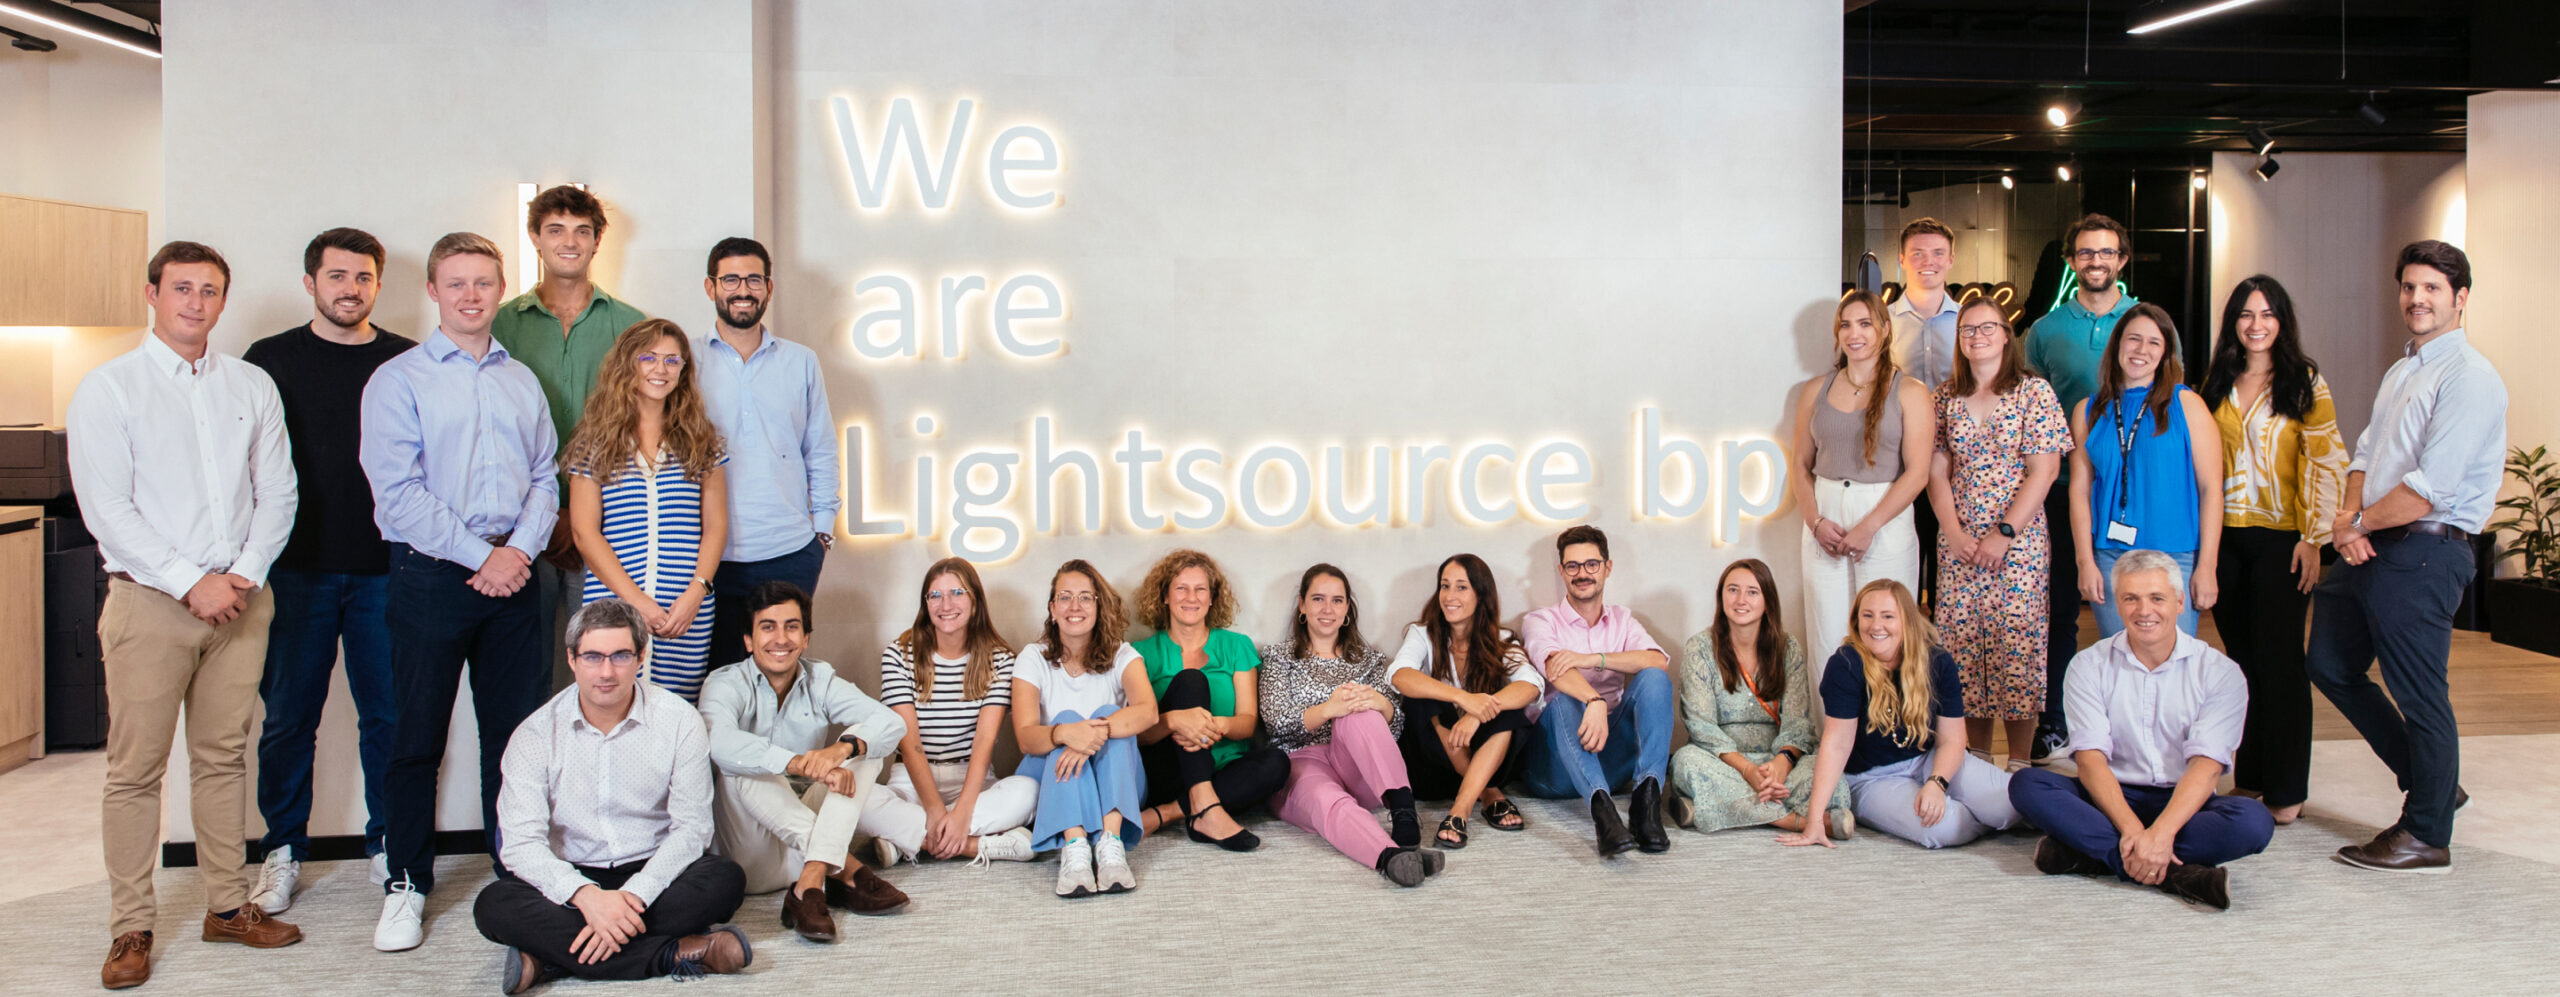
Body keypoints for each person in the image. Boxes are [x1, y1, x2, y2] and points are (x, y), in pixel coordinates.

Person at [71, 241, 304, 989]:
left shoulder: (251, 385)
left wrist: (239, 576)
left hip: (240, 602)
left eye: (209, 291)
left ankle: (228, 906)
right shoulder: (109, 390)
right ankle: (130, 927)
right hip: (149, 603)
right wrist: (189, 581)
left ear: (222, 302)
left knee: (223, 757)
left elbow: (279, 493)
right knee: (135, 771)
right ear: (152, 295)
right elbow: (108, 510)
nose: (195, 302)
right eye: (181, 289)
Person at [360, 232, 559, 952]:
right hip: (431, 577)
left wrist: (518, 553)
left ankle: (516, 868)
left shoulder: (521, 380)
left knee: (513, 738)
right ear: (434, 292)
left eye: (483, 282)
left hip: (512, 573)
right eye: (457, 283)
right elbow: (398, 496)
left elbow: (546, 475)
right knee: (415, 737)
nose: (471, 295)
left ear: (500, 289)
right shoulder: (399, 380)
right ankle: (407, 881)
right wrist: (485, 556)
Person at [2310, 240, 2506, 875]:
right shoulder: (2404, 370)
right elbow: (2365, 454)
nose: (2418, 299)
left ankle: (2426, 833)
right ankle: (2432, 782)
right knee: (2330, 663)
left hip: (2426, 550)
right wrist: (2348, 522)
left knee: (2421, 693)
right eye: (2410, 287)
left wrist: (2356, 524)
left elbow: (2432, 488)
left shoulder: (2469, 377)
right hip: (2373, 543)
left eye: (2433, 289)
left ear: (2461, 298)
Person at [242, 227, 415, 912]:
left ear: (378, 284)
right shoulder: (268, 360)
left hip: (385, 570)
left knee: (390, 719)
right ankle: (282, 850)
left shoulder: (405, 361)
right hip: (295, 570)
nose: (351, 288)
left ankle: (386, 845)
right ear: (311, 282)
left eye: (364, 277)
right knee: (288, 719)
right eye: (337, 276)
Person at [473, 599, 751, 992]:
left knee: (725, 879)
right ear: (572, 659)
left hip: (652, 871)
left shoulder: (678, 719)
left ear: (640, 656)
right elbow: (520, 845)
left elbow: (692, 830)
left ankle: (550, 957)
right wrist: (587, 897)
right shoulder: (534, 734)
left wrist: (633, 896)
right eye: (592, 657)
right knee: (494, 906)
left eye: (620, 655)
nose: (606, 672)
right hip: (572, 876)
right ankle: (676, 953)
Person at [2009, 550, 2275, 910]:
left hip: (2184, 804)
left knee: (2253, 822)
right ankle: (2179, 875)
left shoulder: (2220, 672)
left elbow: (2206, 767)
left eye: (2157, 598)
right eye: (2130, 599)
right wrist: (2135, 833)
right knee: (2028, 784)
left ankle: (2092, 855)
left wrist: (2162, 834)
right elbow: (2089, 762)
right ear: (2117, 605)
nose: (2143, 610)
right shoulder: (2088, 665)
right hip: (2110, 799)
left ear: (2180, 603)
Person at [489, 185, 649, 690]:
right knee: (522, 673)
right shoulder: (497, 325)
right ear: (535, 238)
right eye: (555, 230)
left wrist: (583, 517)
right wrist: (542, 518)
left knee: (609, 668)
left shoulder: (631, 326)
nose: (569, 242)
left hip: (607, 527)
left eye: (582, 231)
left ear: (598, 241)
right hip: (516, 529)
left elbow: (644, 423)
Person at [2199, 275, 2344, 825]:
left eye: (2267, 314)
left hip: (2286, 539)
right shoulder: (2216, 381)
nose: (2256, 325)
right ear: (2232, 322)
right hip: (2225, 538)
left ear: (2282, 321)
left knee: (2281, 662)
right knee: (2244, 664)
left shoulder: (2303, 379)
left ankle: (2286, 788)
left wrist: (2315, 538)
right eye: (2245, 314)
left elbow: (2327, 459)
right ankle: (2251, 777)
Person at [699, 582, 910, 942]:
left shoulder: (820, 678)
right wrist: (796, 762)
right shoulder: (724, 683)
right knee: (742, 760)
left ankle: (810, 883)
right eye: (768, 627)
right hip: (750, 856)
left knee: (864, 747)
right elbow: (719, 745)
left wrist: (842, 750)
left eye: (792, 626)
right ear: (749, 640)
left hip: (801, 854)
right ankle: (846, 869)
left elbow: (892, 723)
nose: (781, 638)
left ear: (806, 637)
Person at [1928, 298, 2071, 768]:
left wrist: (2003, 533)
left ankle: (2022, 765)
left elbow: (2045, 471)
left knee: (2017, 644)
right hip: (1959, 542)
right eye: (1967, 329)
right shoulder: (1945, 397)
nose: (1977, 336)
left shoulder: (2033, 392)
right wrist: (1951, 531)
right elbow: (1936, 470)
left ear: (2007, 335)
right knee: (1964, 646)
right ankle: (1976, 761)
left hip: (2019, 541)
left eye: (1988, 327)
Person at [1781, 580, 2017, 849]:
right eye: (1867, 616)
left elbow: (1952, 739)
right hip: (1871, 777)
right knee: (1945, 827)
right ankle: (1986, 819)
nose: (1875, 625)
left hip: (1928, 758)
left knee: (2010, 804)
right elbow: (1836, 744)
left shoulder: (1937, 660)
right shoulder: (1845, 664)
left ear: (1907, 621)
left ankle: (1994, 815)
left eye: (1888, 616)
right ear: (1856, 621)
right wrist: (1814, 822)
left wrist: (1937, 784)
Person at [564, 319, 729, 702]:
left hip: (684, 609)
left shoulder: (703, 441)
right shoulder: (594, 441)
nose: (661, 369)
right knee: (609, 704)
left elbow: (716, 527)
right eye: (649, 358)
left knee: (679, 712)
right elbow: (585, 534)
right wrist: (637, 603)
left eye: (673, 361)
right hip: (614, 603)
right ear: (628, 364)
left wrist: (696, 594)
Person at [2025, 213, 2140, 764]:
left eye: (2107, 252)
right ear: (2072, 262)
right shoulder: (2046, 331)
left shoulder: (2144, 324)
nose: (2096, 261)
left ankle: (2129, 727)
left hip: (2131, 496)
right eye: (2086, 253)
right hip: (2061, 490)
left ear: (2121, 259)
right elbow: (2030, 415)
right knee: (2062, 612)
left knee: (2129, 610)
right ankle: (2057, 723)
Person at [695, 238, 839, 661]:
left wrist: (823, 532)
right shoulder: (684, 359)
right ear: (711, 287)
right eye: (731, 279)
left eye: (754, 279)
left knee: (780, 675)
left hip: (790, 550)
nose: (743, 289)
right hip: (709, 556)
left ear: (769, 288)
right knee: (715, 680)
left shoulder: (801, 361)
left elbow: (821, 448)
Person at [1260, 565, 1443, 887]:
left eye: (1337, 601)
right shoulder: (1279, 657)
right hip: (1299, 763)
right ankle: (1392, 856)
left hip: (1358, 767)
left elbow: (1395, 729)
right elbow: (1275, 721)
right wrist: (1331, 708)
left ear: (1347, 610)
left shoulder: (1369, 660)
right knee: (1326, 798)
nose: (1327, 609)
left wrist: (1381, 705)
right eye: (1318, 599)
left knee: (1362, 708)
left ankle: (1403, 813)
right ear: (1302, 605)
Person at [2067, 303, 2222, 639]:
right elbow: (2079, 490)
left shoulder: (2186, 404)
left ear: (2165, 352)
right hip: (2110, 557)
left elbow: (2211, 489)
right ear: (2118, 344)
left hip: (2176, 556)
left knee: (2171, 668)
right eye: (2134, 339)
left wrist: (2207, 566)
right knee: (2121, 664)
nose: (2142, 350)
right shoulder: (2088, 410)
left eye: (2154, 342)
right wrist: (2085, 561)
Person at [1519, 525, 1676, 857]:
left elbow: (1657, 661)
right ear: (1561, 571)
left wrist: (1594, 659)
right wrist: (1593, 700)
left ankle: (1645, 804)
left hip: (1609, 752)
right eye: (1573, 566)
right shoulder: (1540, 620)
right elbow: (1554, 669)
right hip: (1554, 765)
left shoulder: (1623, 620)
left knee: (1654, 678)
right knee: (1562, 701)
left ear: (1607, 567)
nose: (1582, 574)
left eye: (1591, 564)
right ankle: (1603, 814)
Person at [872, 557, 1040, 865]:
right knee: (855, 798)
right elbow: (910, 745)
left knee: (1029, 790)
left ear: (975, 601)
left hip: (972, 780)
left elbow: (984, 743)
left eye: (957, 593)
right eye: (935, 595)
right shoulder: (898, 654)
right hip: (911, 780)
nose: (945, 604)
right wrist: (936, 811)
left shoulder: (1000, 660)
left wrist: (962, 814)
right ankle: (978, 846)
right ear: (926, 604)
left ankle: (909, 842)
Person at [1795, 289, 1933, 663]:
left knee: (1886, 632)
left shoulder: (1911, 392)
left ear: (1885, 330)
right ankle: (1832, 722)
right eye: (1845, 325)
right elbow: (1800, 466)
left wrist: (1869, 526)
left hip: (1884, 517)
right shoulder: (1814, 390)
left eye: (1864, 324)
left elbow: (1918, 473)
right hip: (1825, 515)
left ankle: (1888, 722)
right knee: (1828, 635)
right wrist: (1815, 521)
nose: (1854, 333)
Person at [1668, 559, 1852, 837]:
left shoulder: (1788, 648)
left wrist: (1780, 764)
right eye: (1732, 590)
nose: (1741, 600)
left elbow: (1798, 722)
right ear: (1721, 597)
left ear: (1768, 600)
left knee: (1826, 770)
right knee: (1686, 762)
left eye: (1752, 592)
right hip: (1723, 761)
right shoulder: (1700, 648)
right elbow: (1701, 727)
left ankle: (1710, 809)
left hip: (1777, 759)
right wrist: (1748, 771)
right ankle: (1796, 821)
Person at [1012, 560, 1158, 898]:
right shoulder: (1033, 657)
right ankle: (1075, 848)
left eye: (1085, 598)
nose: (1074, 606)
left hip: (1115, 784)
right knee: (1064, 718)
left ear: (1098, 605)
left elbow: (1148, 713)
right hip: (1053, 779)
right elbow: (1024, 737)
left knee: (1111, 715)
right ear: (1052, 608)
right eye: (1064, 597)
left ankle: (1110, 846)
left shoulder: (1123, 654)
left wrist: (1092, 734)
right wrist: (1065, 734)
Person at [1133, 549, 1291, 850]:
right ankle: (1204, 808)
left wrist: (1210, 725)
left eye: (1200, 589)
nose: (1190, 597)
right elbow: (1138, 735)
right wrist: (1175, 720)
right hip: (1168, 769)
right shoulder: (1141, 654)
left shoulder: (1236, 646)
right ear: (1164, 596)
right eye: (1181, 588)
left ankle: (1167, 814)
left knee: (1277, 763)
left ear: (1212, 598)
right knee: (1190, 681)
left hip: (1225, 770)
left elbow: (1246, 723)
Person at [1389, 553, 1544, 849]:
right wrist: (1462, 698)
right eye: (1445, 586)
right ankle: (1488, 794)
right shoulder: (1421, 634)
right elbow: (1399, 675)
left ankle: (1459, 812)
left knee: (1504, 705)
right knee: (1422, 696)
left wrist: (1477, 712)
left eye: (1461, 587)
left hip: (1487, 760)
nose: (1449, 596)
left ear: (1480, 595)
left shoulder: (1503, 640)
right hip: (1432, 770)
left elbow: (1532, 685)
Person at [1891, 220, 1962, 609]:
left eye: (1937, 253)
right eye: (1917, 253)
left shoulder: (1971, 322)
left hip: (1957, 464)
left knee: (1948, 570)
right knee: (1903, 565)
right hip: (1898, 464)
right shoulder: (1882, 322)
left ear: (1951, 260)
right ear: (1902, 259)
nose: (1927, 262)